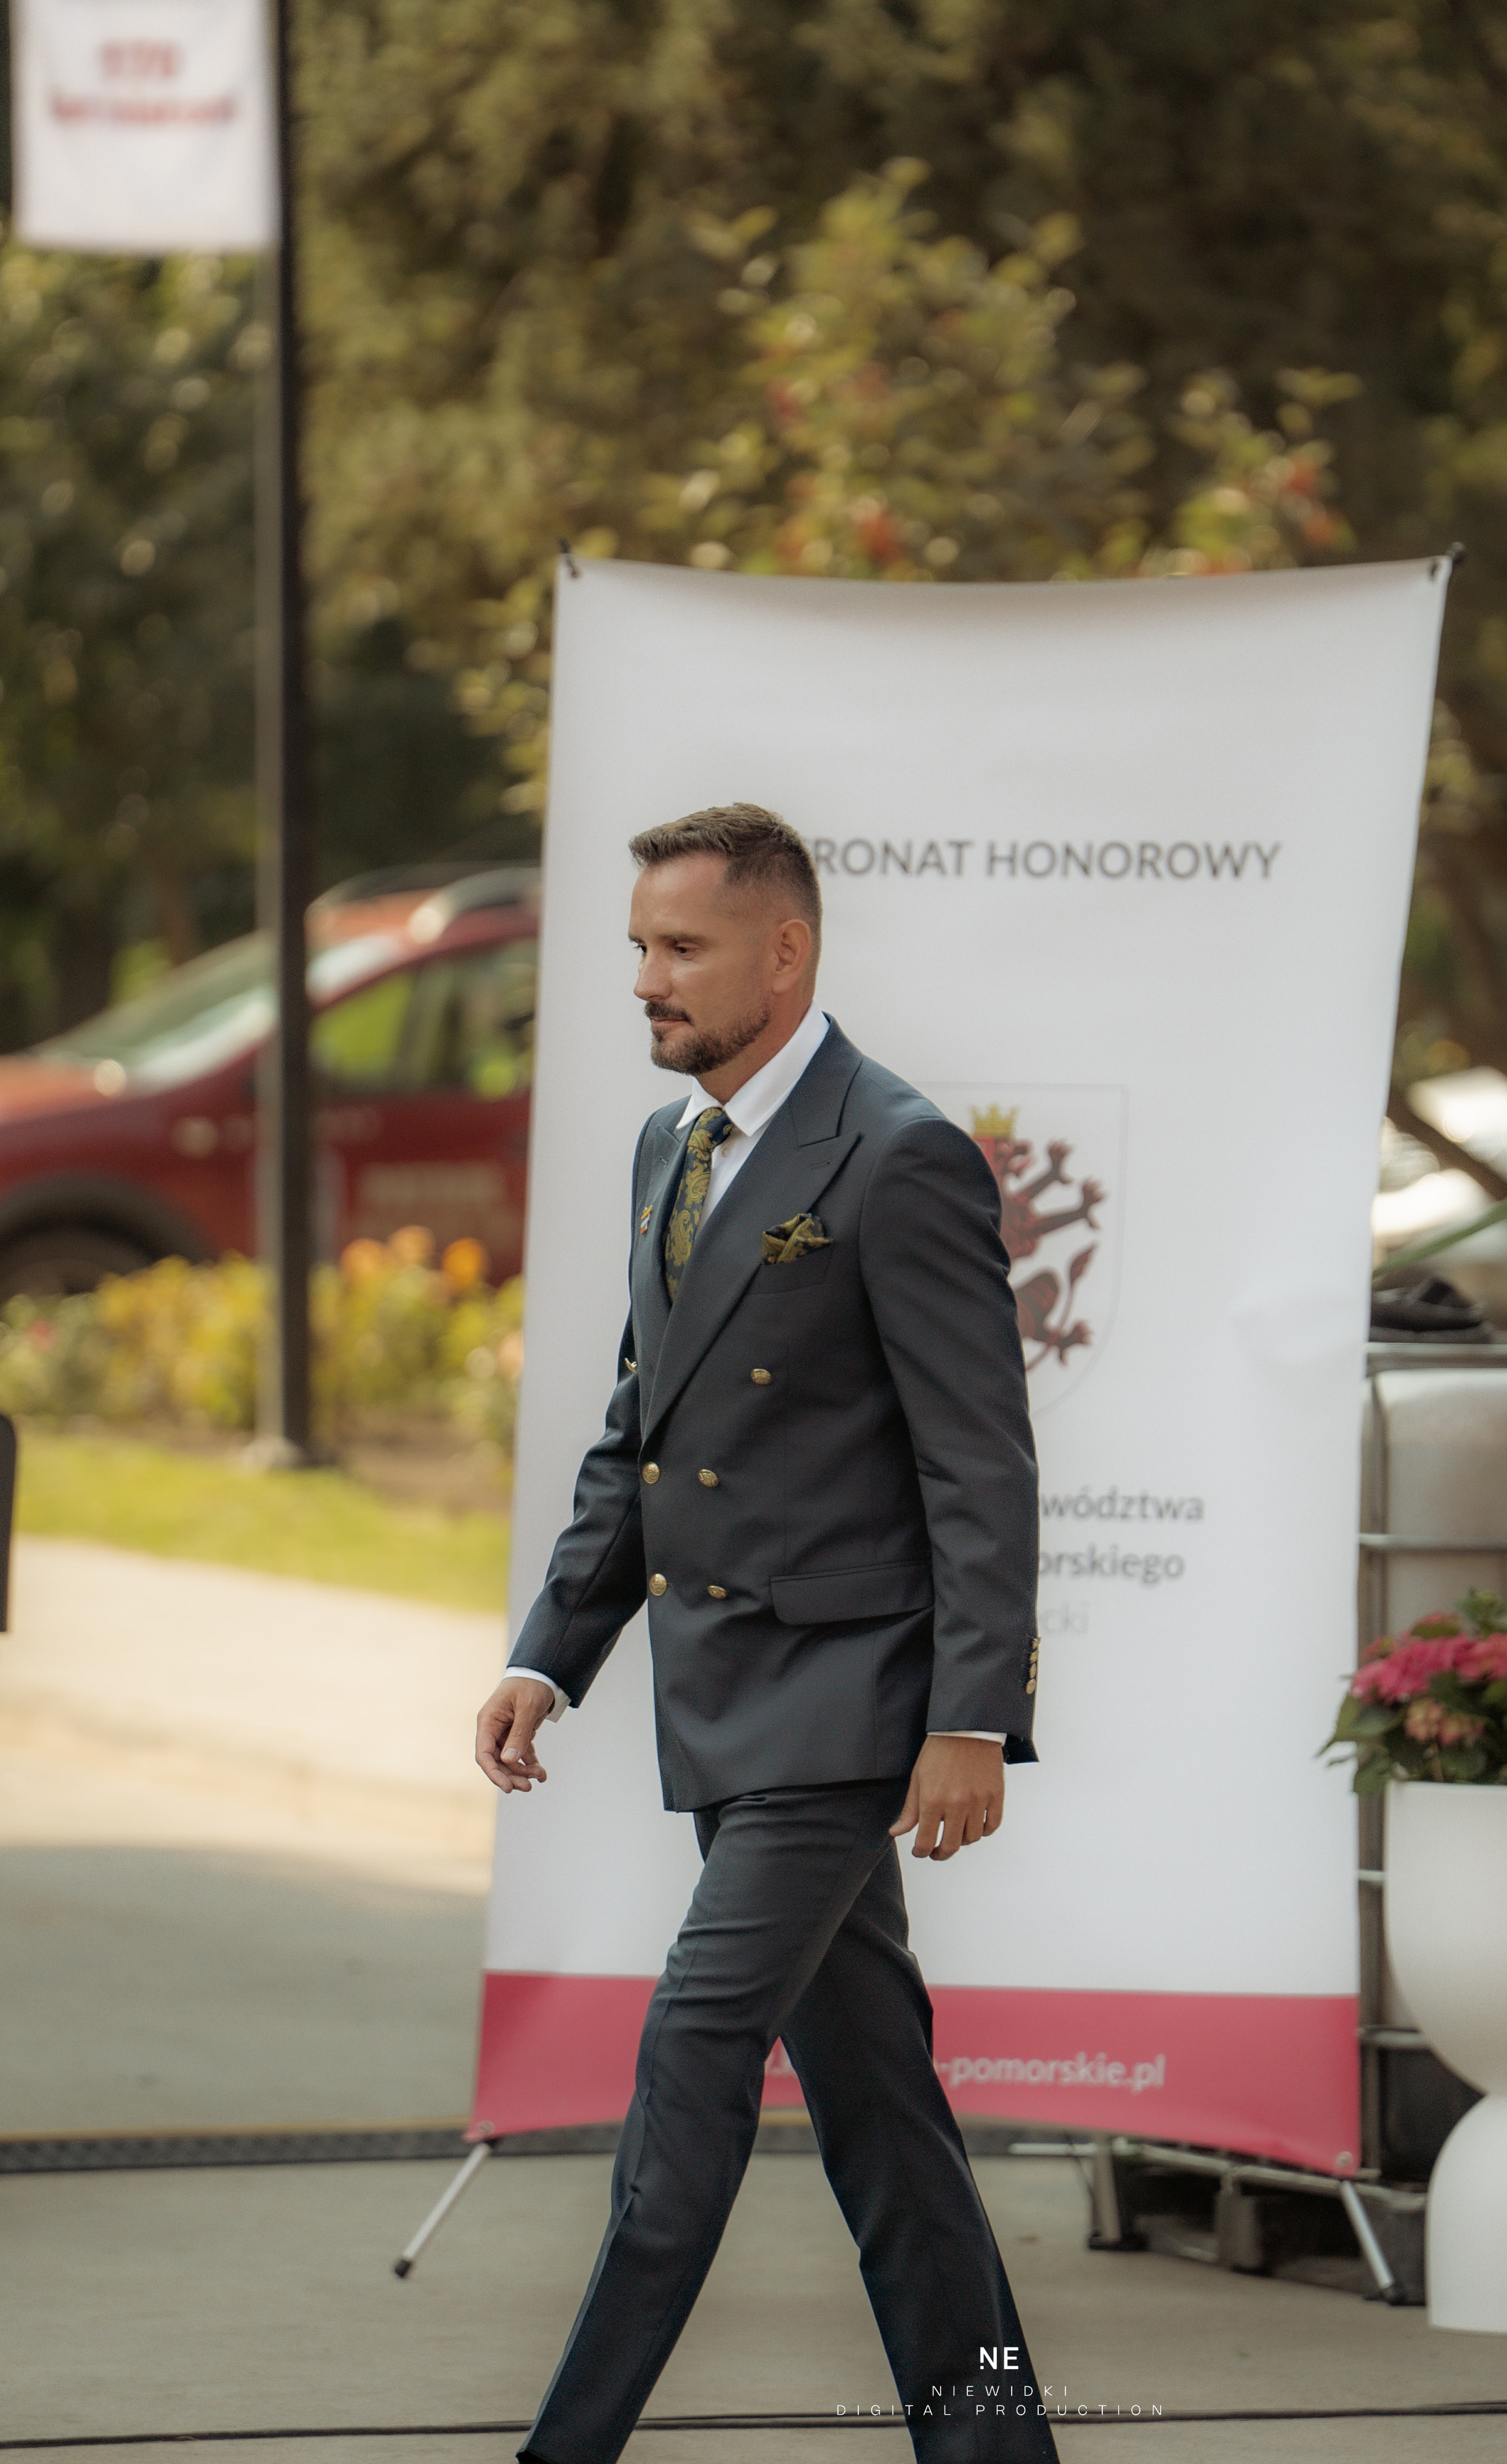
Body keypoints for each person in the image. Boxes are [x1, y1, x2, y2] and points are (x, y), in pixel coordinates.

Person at [474, 804, 1058, 2464]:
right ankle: (996, 2450)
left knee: (694, 2056)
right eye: (639, 947)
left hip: (843, 1710)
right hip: (725, 1707)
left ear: (783, 954)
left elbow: (980, 1464)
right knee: (885, 2121)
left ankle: (565, 2450)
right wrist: (547, 1653)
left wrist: (970, 1720)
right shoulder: (671, 1148)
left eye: (683, 948)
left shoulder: (900, 1153)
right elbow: (639, 1439)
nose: (645, 981)